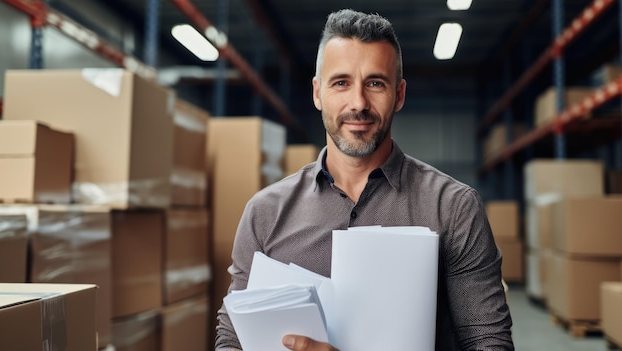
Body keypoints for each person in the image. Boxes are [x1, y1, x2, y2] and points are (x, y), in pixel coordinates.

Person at [215, 8, 514, 351]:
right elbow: (232, 338)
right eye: (341, 83)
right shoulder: (265, 213)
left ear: (399, 95)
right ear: (317, 93)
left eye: (375, 83)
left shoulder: (453, 207)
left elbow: (489, 343)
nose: (358, 103)